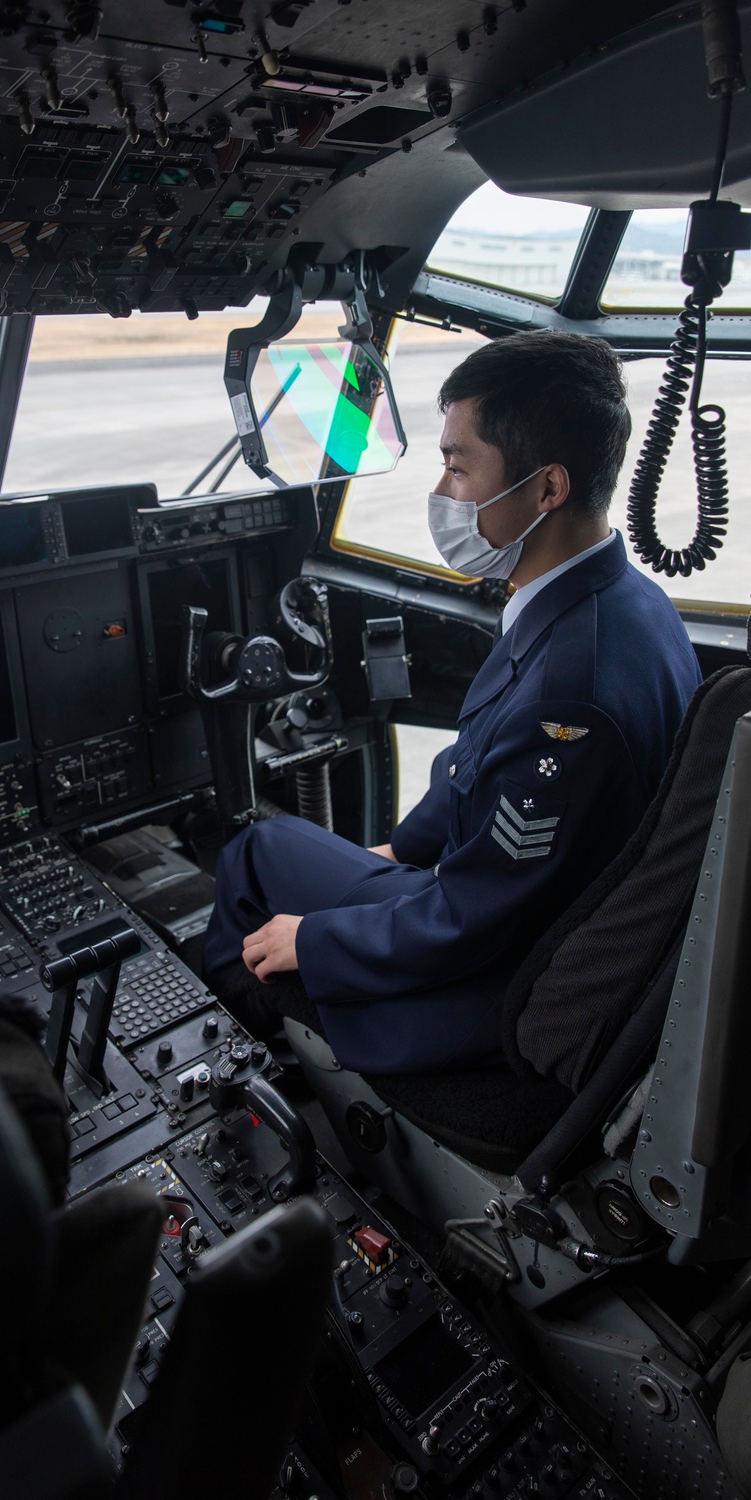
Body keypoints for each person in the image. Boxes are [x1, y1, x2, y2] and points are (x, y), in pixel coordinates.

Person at [202, 330, 702, 1075]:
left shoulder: (571, 700)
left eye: (458, 467)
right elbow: (482, 765)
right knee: (283, 852)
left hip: (502, 990)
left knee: (255, 853)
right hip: (531, 913)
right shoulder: (615, 603)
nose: (443, 493)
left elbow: (476, 922)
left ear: (548, 489)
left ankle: (229, 1062)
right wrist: (403, 848)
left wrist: (314, 941)